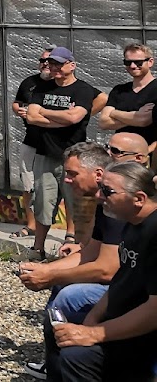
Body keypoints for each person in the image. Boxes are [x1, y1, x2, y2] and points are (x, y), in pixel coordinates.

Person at [22, 137, 151, 380]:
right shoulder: (115, 206)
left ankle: (60, 365)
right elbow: (92, 253)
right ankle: (58, 364)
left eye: (72, 174)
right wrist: (47, 270)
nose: (66, 180)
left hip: (135, 296)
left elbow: (107, 270)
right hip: (126, 287)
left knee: (68, 297)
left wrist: (51, 275)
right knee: (62, 288)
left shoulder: (125, 207)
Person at [47, 161, 157, 382]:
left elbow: (154, 311)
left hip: (142, 337)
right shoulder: (132, 222)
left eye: (108, 191)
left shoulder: (153, 232)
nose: (98, 195)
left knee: (76, 355)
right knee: (61, 328)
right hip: (120, 319)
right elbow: (121, 280)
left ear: (139, 199)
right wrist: (92, 319)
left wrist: (93, 334)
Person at [26, 47, 99, 258]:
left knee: (75, 203)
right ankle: (38, 249)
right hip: (45, 154)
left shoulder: (83, 90)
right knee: (43, 202)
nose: (53, 67)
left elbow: (75, 117)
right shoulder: (42, 88)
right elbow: (31, 116)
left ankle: (77, 250)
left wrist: (46, 113)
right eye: (51, 63)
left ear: (72, 65)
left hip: (73, 157)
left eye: (59, 63)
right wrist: (62, 118)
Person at [11, 49, 54, 239]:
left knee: (64, 187)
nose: (45, 64)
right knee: (28, 184)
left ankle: (70, 233)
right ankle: (31, 226)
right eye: (42, 60)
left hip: (56, 144)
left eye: (50, 61)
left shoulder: (63, 86)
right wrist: (19, 110)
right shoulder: (29, 82)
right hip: (31, 141)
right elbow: (17, 102)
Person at [98, 43, 156, 164]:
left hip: (148, 157)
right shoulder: (119, 90)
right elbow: (104, 122)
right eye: (128, 62)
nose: (133, 66)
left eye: (138, 62)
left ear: (150, 62)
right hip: (119, 157)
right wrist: (136, 117)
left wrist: (114, 113)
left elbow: (144, 120)